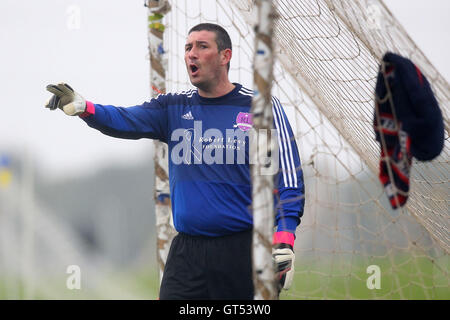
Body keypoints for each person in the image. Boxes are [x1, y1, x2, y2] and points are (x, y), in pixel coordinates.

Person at [45, 23, 305, 300]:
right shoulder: (173, 108)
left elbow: (286, 177)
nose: (191, 54)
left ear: (225, 56)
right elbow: (125, 119)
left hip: (243, 250)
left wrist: (285, 236)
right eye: (188, 47)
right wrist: (87, 108)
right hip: (187, 254)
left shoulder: (259, 109)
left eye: (202, 47)